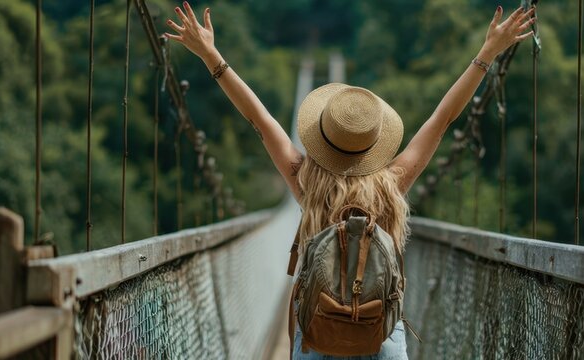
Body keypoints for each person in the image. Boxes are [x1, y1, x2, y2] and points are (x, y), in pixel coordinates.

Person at [165, 3, 536, 358]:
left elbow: (259, 121)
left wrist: (211, 56)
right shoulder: (391, 183)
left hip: (317, 335)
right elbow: (443, 120)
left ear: (321, 136)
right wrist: (488, 52)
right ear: (376, 142)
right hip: (381, 336)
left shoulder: (307, 182)